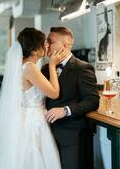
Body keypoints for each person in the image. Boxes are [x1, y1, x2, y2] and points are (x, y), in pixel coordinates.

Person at [0, 27, 68, 169]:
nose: (47, 45)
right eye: (44, 42)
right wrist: (53, 65)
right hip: (33, 121)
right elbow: (54, 93)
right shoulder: (29, 67)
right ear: (35, 48)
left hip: (27, 117)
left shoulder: (22, 65)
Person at [42, 27, 100, 169]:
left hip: (72, 136)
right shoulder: (44, 69)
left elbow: (92, 101)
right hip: (46, 134)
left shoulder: (83, 68)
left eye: (51, 41)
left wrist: (65, 110)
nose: (47, 45)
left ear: (66, 46)